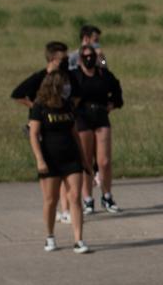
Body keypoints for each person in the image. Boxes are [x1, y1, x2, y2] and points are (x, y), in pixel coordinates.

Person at [27, 69, 89, 254]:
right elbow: (33, 134)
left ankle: (78, 240)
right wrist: (39, 160)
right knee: (51, 200)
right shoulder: (39, 107)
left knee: (75, 197)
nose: (67, 88)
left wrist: (84, 160)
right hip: (50, 159)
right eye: (64, 85)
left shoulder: (68, 105)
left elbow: (75, 133)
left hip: (71, 157)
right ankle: (50, 235)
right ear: (54, 86)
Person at [13, 41, 73, 222]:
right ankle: (51, 205)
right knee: (48, 169)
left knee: (65, 168)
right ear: (53, 59)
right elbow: (17, 94)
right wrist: (36, 107)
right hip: (42, 127)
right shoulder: (39, 77)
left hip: (61, 126)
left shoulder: (67, 77)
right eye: (63, 58)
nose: (66, 61)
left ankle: (66, 209)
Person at [70, 43, 124, 214]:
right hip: (83, 118)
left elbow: (117, 91)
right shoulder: (75, 76)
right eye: (85, 56)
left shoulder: (103, 74)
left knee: (104, 161)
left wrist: (112, 105)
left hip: (100, 116)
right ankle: (87, 199)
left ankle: (107, 195)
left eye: (91, 56)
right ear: (79, 59)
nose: (89, 59)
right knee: (86, 160)